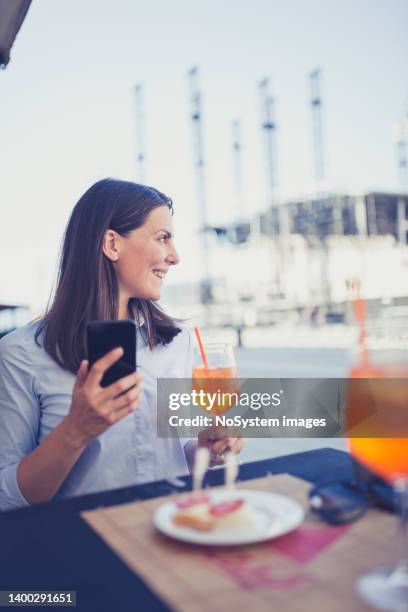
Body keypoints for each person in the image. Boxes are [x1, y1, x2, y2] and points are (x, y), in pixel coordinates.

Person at [0, 179, 244, 511]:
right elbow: (8, 499)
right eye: (163, 239)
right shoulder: (21, 354)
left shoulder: (177, 344)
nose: (175, 257)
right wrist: (75, 431)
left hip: (171, 532)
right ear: (112, 244)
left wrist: (205, 447)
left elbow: (174, 456)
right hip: (82, 549)